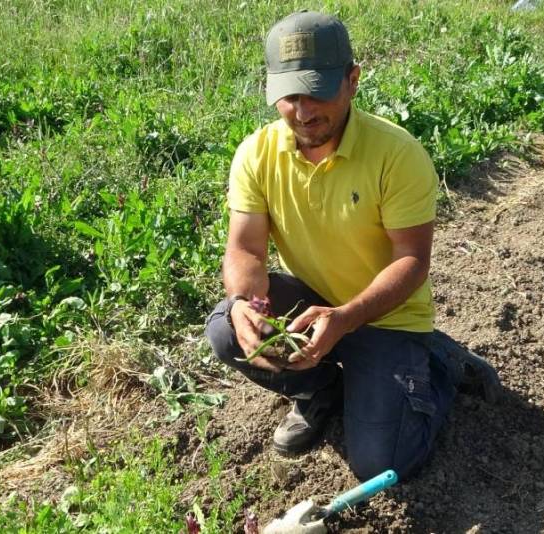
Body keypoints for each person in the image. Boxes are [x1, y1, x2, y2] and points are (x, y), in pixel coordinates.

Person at [204, 10, 500, 481]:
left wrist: (344, 320)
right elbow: (245, 251)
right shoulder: (257, 154)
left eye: (317, 91)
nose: (303, 112)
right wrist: (246, 302)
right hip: (314, 300)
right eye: (289, 95)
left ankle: (440, 365)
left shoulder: (396, 155)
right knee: (226, 328)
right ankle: (321, 391)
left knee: (381, 463)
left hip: (388, 318)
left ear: (352, 80)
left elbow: (412, 261)